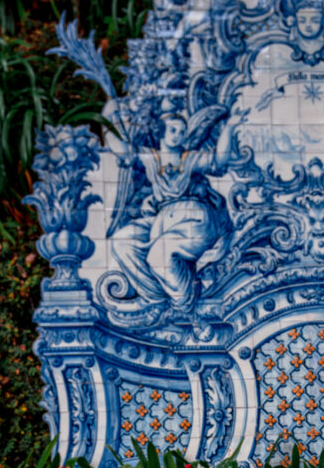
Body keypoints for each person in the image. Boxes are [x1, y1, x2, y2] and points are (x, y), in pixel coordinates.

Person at [104, 102, 247, 315]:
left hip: (194, 219)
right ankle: (156, 297)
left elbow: (218, 162)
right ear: (161, 132)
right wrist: (108, 120)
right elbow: (122, 152)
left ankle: (184, 307)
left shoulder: (189, 159)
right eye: (173, 130)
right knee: (122, 242)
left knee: (159, 256)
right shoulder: (151, 158)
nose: (178, 135)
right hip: (161, 222)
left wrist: (230, 127)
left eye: (181, 131)